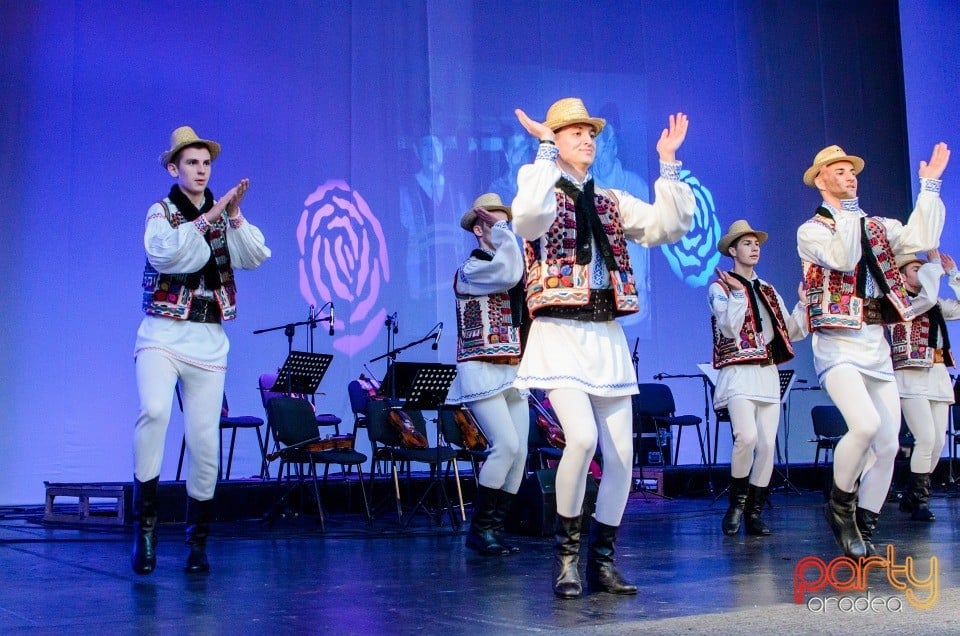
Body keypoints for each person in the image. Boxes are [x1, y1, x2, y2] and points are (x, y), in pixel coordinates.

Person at [511, 97, 695, 598]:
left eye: (590, 133)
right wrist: (545, 153)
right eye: (574, 133)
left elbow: (666, 226)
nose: (586, 139)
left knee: (623, 456)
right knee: (581, 439)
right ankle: (565, 559)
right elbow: (527, 218)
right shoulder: (542, 187)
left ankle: (602, 562)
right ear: (553, 140)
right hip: (559, 335)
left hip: (604, 334)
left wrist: (669, 163)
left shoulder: (612, 198)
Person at [797, 142, 949, 558]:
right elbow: (844, 259)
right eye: (839, 171)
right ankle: (840, 506)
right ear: (821, 180)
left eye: (852, 171)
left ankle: (864, 527)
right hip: (837, 343)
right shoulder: (812, 230)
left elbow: (920, 237)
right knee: (863, 426)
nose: (849, 177)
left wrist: (930, 185)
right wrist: (847, 213)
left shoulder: (878, 225)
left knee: (886, 444)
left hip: (874, 343)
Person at [132, 126, 270, 575]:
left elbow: (254, 256)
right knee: (154, 412)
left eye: (206, 163)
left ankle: (197, 542)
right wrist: (211, 215)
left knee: (205, 441)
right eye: (191, 162)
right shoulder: (163, 213)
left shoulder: (222, 214)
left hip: (208, 340)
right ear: (174, 168)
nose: (200, 169)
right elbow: (170, 257)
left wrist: (236, 215)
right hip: (162, 334)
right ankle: (147, 530)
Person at [709, 220, 807, 537]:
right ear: (733, 250)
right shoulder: (720, 288)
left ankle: (754, 511)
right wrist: (738, 295)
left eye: (757, 243)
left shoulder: (768, 290)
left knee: (766, 446)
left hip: (766, 372)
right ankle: (736, 504)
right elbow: (728, 328)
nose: (754, 248)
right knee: (747, 437)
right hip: (738, 373)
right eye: (747, 243)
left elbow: (789, 331)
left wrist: (804, 304)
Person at [445, 193, 528, 556]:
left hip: (512, 367)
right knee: (505, 445)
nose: (502, 230)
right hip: (480, 367)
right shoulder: (472, 270)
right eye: (494, 224)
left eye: (504, 224)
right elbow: (509, 273)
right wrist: (505, 233)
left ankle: (495, 526)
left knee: (521, 452)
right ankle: (480, 530)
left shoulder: (505, 260)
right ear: (479, 229)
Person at [888, 250, 960, 522]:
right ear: (903, 276)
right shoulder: (898, 302)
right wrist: (934, 268)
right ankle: (919, 500)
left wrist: (953, 274)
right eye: (915, 269)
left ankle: (912, 494)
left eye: (922, 268)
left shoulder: (935, 303)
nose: (921, 273)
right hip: (911, 374)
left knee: (938, 442)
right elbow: (926, 299)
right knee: (925, 438)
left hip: (937, 372)